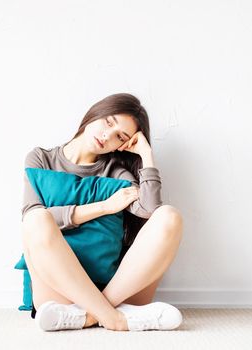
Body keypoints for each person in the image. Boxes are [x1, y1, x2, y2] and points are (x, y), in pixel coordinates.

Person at [20, 93, 184, 332]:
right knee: (36, 219)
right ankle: (115, 318)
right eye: (109, 122)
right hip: (58, 293)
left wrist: (146, 154)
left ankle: (91, 314)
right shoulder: (41, 158)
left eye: (120, 136)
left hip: (116, 291)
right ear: (96, 111)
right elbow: (32, 220)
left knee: (170, 215)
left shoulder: (116, 172)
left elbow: (150, 211)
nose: (107, 136)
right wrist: (105, 206)